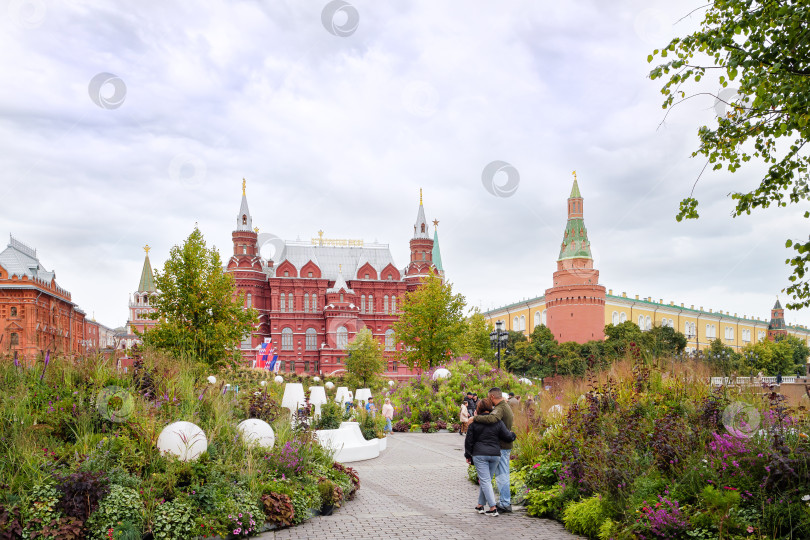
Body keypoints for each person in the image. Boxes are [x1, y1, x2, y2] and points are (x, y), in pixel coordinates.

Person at [464, 398, 516, 517]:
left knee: (485, 480)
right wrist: (513, 435)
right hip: (495, 455)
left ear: (479, 408)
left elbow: (469, 441)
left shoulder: (474, 423)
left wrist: (468, 455)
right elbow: (507, 436)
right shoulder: (497, 422)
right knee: (486, 480)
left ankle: (493, 508)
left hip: (480, 455)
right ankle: (480, 505)